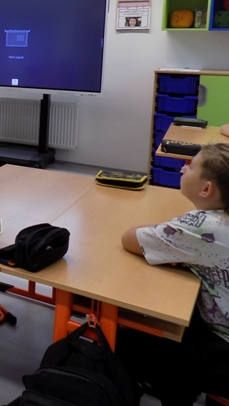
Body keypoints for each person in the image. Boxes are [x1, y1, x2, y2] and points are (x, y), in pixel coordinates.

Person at [117, 144, 229, 404]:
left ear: (206, 189)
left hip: (223, 352)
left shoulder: (205, 227)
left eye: (191, 166)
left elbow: (130, 239)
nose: (183, 168)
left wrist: (179, 239)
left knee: (123, 343)